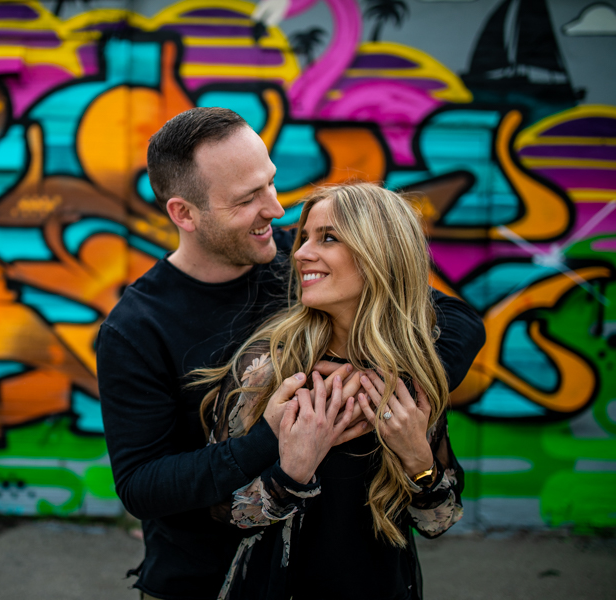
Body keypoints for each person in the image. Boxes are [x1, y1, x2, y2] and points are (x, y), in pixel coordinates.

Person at [96, 107, 485, 600]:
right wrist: (272, 438)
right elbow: (142, 486)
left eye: (270, 183)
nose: (277, 209)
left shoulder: (300, 261)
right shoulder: (136, 328)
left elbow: (454, 318)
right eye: (247, 199)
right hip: (204, 581)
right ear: (184, 213)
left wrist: (398, 395)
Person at [195, 182, 466, 600]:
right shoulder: (270, 368)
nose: (301, 253)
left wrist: (417, 458)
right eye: (305, 238)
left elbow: (438, 521)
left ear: (381, 254)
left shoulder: (411, 374)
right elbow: (222, 513)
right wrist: (293, 472)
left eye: (328, 237)